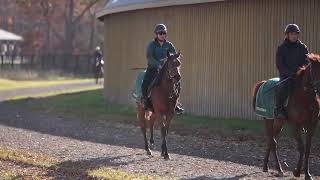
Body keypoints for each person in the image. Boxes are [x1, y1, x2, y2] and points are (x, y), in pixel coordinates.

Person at [141, 24, 184, 114]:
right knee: (145, 84)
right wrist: (158, 64)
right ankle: (146, 102)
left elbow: (173, 56)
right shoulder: (151, 45)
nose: (162, 35)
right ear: (156, 34)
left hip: (166, 71)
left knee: (177, 84)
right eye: (160, 33)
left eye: (164, 33)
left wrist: (174, 62)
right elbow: (149, 58)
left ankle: (176, 104)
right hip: (153, 69)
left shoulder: (169, 45)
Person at [274, 24, 309, 119]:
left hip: (300, 76)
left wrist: (300, 71)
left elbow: (306, 62)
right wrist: (290, 73)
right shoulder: (281, 48)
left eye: (296, 34)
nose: (294, 36)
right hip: (286, 77)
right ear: (287, 35)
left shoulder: (303, 47)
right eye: (292, 34)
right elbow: (280, 64)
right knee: (282, 87)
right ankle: (279, 109)